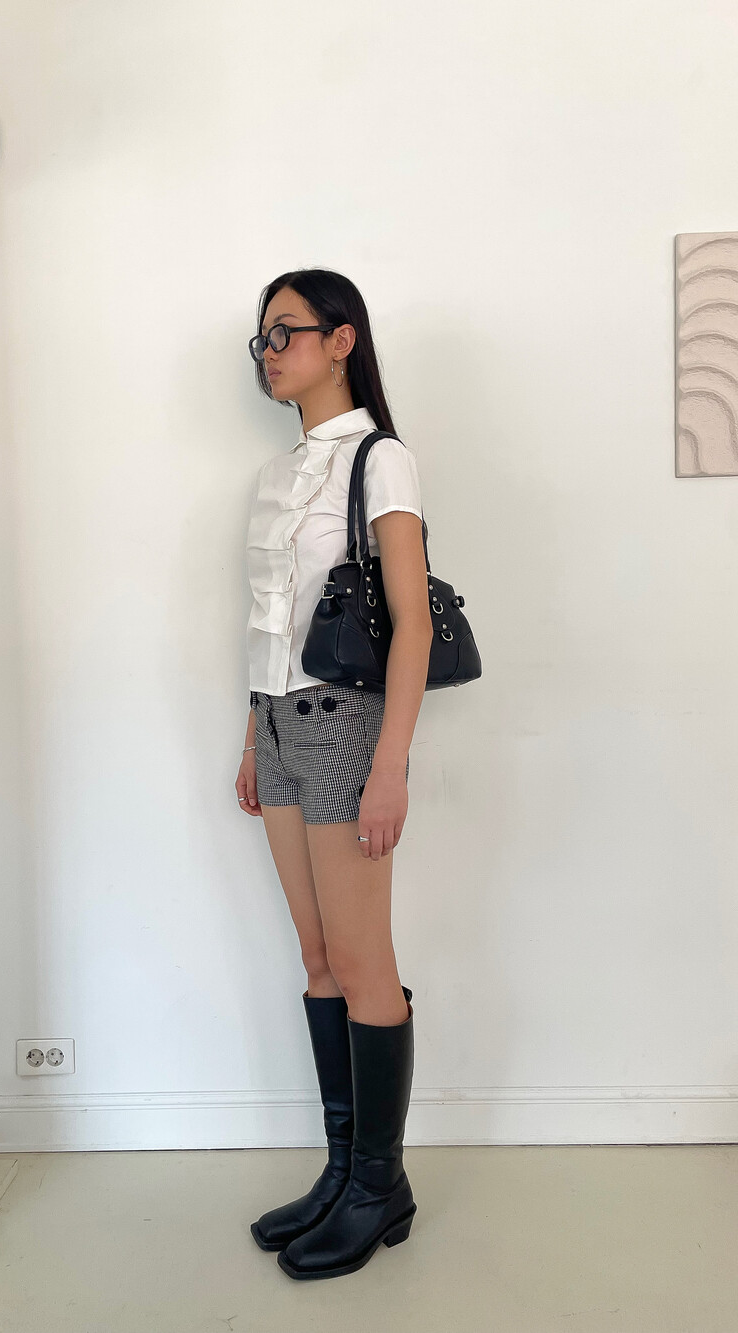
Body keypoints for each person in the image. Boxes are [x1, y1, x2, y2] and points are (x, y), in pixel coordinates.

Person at [236, 269, 434, 1280]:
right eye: (262, 338)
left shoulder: (379, 460)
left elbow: (410, 625)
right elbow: (268, 623)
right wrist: (251, 737)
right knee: (317, 957)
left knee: (362, 962)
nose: (269, 352)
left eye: (287, 332)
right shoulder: (278, 476)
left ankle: (379, 1185)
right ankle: (343, 1168)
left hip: (345, 727)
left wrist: (390, 765)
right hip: (277, 725)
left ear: (341, 339)